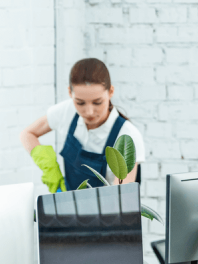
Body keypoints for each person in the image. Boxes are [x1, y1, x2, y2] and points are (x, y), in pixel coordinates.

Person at [19, 58, 145, 192]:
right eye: (80, 103)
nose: (89, 112)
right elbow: (27, 134)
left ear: (111, 92)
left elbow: (122, 198)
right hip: (69, 205)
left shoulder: (127, 137)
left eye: (97, 102)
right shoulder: (66, 111)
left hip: (109, 210)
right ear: (70, 93)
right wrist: (50, 169)